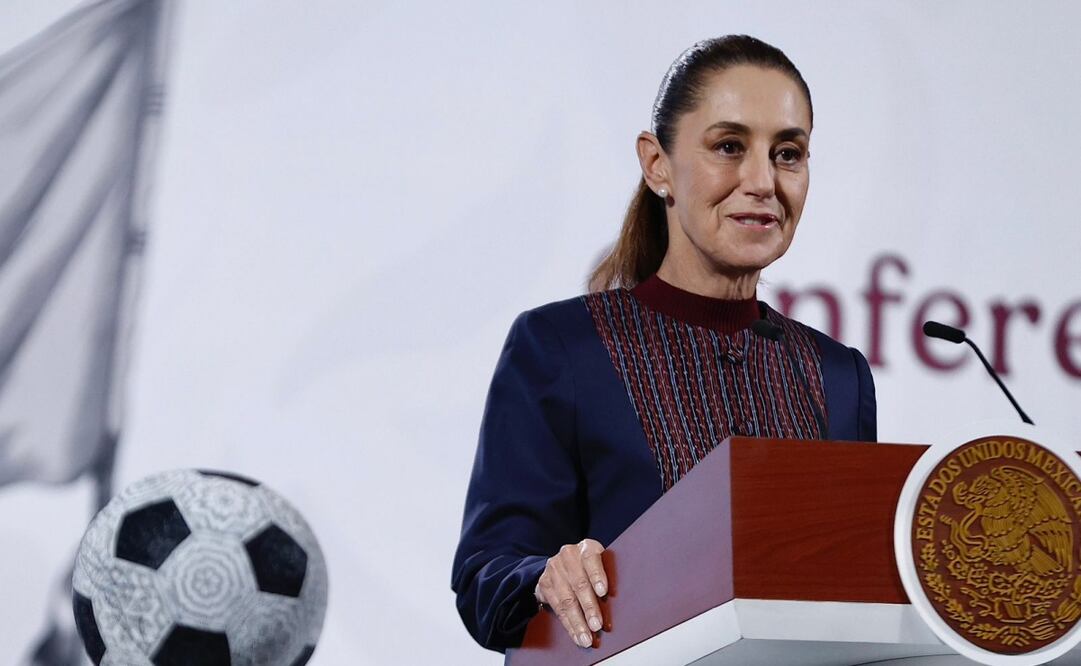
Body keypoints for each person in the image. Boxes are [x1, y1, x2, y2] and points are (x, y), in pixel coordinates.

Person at [451, 34, 877, 653]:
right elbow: (485, 577)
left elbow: (856, 596)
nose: (762, 181)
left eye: (788, 153)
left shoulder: (839, 378)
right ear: (657, 164)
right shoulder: (561, 348)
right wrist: (545, 576)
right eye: (729, 146)